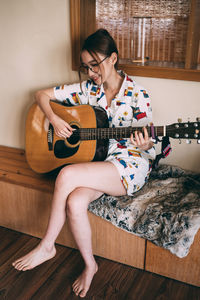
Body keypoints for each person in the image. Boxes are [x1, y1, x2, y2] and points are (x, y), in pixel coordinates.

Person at [12, 29, 155, 298]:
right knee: (75, 202)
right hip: (100, 163)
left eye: (95, 65)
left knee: (66, 175)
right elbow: (41, 95)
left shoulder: (138, 94)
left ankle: (47, 246)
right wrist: (54, 120)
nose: (90, 73)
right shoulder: (88, 90)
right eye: (86, 67)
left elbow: (149, 145)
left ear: (113, 59)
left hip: (128, 166)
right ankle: (91, 266)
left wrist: (145, 143)